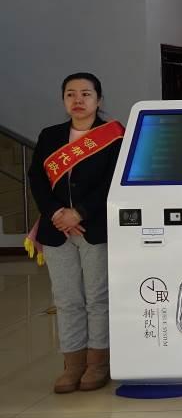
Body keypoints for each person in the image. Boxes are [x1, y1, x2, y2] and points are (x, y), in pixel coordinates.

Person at [27, 73, 124, 393]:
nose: (78, 100)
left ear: (99, 99)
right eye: (71, 94)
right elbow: (37, 179)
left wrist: (79, 212)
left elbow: (112, 181)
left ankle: (98, 362)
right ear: (63, 100)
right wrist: (57, 213)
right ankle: (73, 363)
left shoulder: (114, 136)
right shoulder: (50, 135)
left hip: (94, 226)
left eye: (86, 93)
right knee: (67, 299)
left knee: (97, 298)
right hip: (56, 229)